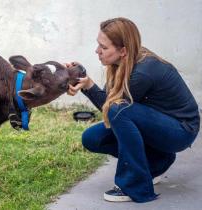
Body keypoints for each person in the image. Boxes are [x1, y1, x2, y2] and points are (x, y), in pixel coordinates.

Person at [67, 17, 200, 203]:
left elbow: (112, 109)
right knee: (92, 138)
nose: (97, 51)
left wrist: (89, 86)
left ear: (123, 50)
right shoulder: (122, 63)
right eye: (98, 45)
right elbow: (110, 104)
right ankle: (156, 162)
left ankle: (134, 185)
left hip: (180, 131)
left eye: (104, 48)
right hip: (158, 124)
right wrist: (84, 82)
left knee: (119, 111)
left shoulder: (143, 71)